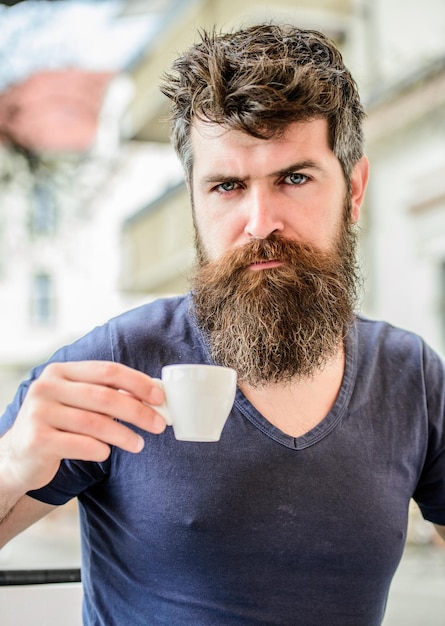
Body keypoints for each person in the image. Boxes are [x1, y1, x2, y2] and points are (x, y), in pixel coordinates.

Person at [0, 23, 444, 626]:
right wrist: (11, 466)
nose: (260, 221)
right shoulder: (113, 360)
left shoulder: (411, 374)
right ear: (194, 199)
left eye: (295, 178)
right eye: (227, 186)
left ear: (355, 189)